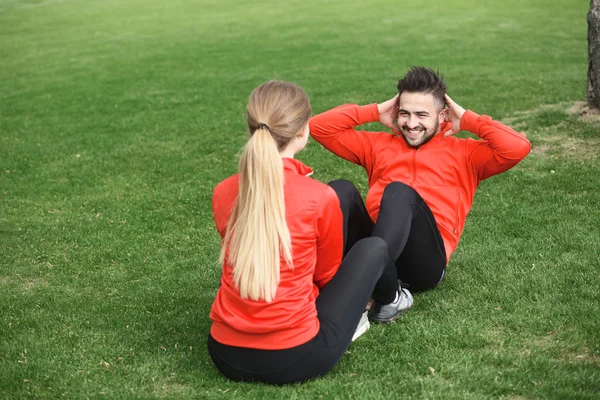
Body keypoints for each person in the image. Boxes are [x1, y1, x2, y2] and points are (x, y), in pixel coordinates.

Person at [208, 80, 399, 385]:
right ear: (302, 131)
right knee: (372, 249)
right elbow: (326, 275)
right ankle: (391, 301)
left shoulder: (223, 191)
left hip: (224, 353)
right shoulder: (319, 196)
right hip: (294, 356)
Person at [309, 66, 531, 323]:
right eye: (404, 113)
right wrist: (375, 111)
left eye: (421, 115)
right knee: (340, 190)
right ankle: (337, 284)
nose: (411, 124)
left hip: (423, 263)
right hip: (378, 242)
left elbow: (517, 148)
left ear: (442, 114)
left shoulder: (466, 154)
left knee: (399, 192)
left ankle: (372, 292)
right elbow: (319, 128)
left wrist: (469, 119)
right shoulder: (379, 145)